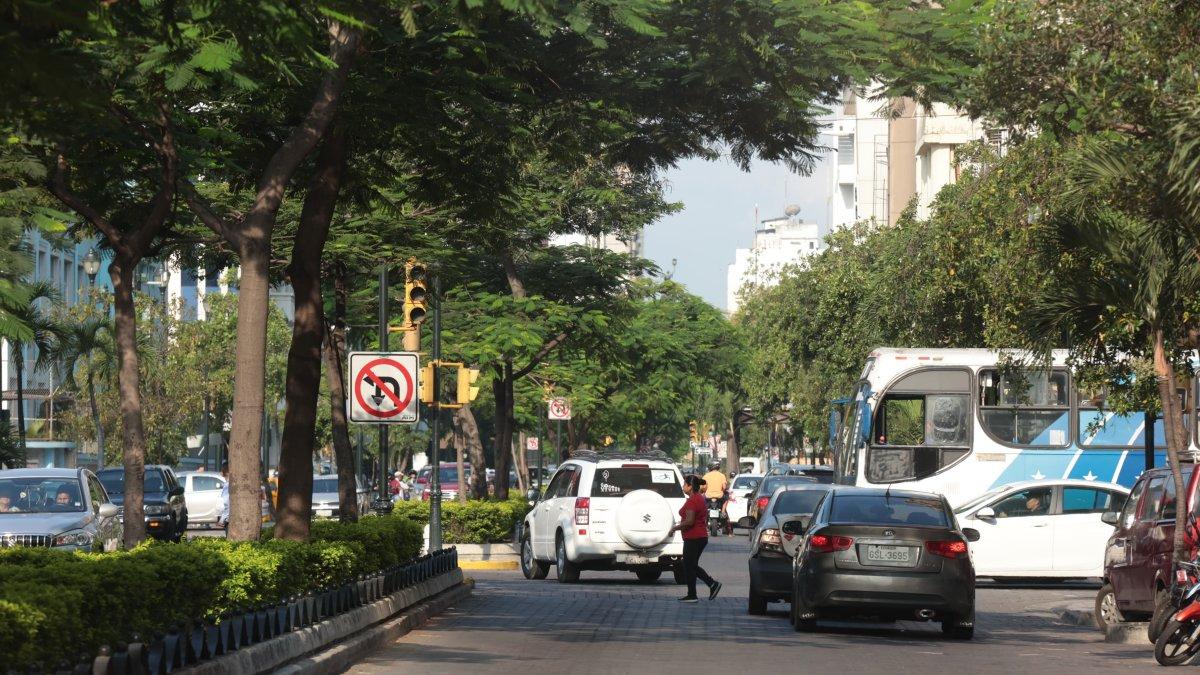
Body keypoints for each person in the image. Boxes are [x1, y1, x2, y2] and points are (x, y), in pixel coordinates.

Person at [671, 474, 721, 603]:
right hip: (698, 536)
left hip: (694, 537)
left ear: (689, 486)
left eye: (684, 485)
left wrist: (674, 528)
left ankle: (711, 584)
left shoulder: (693, 500)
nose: (683, 487)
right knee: (690, 565)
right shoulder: (698, 498)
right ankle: (692, 594)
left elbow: (689, 521)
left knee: (689, 565)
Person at [217, 461, 230, 529]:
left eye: (222, 470)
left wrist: (222, 520)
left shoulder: (228, 485)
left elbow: (227, 505)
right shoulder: (228, 484)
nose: (220, 472)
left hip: (227, 520)